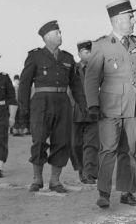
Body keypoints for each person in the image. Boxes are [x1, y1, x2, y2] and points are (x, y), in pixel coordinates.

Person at [84, 0, 136, 209]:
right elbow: (91, 78)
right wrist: (92, 104)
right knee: (108, 149)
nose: (134, 21)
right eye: (130, 17)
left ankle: (127, 192)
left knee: (133, 151)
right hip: (110, 106)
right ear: (118, 20)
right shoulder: (101, 46)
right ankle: (104, 193)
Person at [18, 20, 88, 192]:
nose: (61, 35)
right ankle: (37, 178)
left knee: (62, 141)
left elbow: (76, 85)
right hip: (41, 103)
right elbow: (25, 83)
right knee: (39, 140)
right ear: (47, 37)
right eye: (57, 33)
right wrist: (24, 108)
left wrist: (84, 105)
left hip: (63, 103)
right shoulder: (35, 56)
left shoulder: (67, 58)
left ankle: (55, 180)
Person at [71, 40, 99, 184]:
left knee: (91, 143)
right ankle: (81, 169)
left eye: (91, 52)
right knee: (75, 144)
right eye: (86, 52)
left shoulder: (99, 68)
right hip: (75, 111)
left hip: (94, 111)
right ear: (79, 53)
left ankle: (89, 172)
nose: (89, 55)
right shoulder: (72, 69)